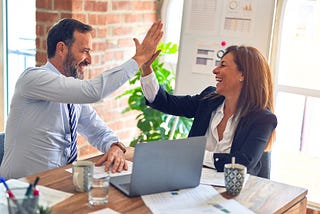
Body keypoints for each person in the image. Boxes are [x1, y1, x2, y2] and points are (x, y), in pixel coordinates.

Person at [0, 18, 163, 179]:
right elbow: (93, 91)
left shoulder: (72, 93)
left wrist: (115, 145)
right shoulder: (33, 79)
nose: (89, 60)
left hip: (57, 184)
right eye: (85, 51)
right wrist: (139, 59)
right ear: (61, 49)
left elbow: (97, 130)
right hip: (20, 190)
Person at [140, 45, 277, 176]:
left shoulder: (263, 119)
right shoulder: (209, 99)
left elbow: (243, 163)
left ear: (243, 75)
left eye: (223, 65)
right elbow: (165, 102)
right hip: (192, 181)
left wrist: (195, 154)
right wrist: (146, 69)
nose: (215, 70)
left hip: (234, 192)